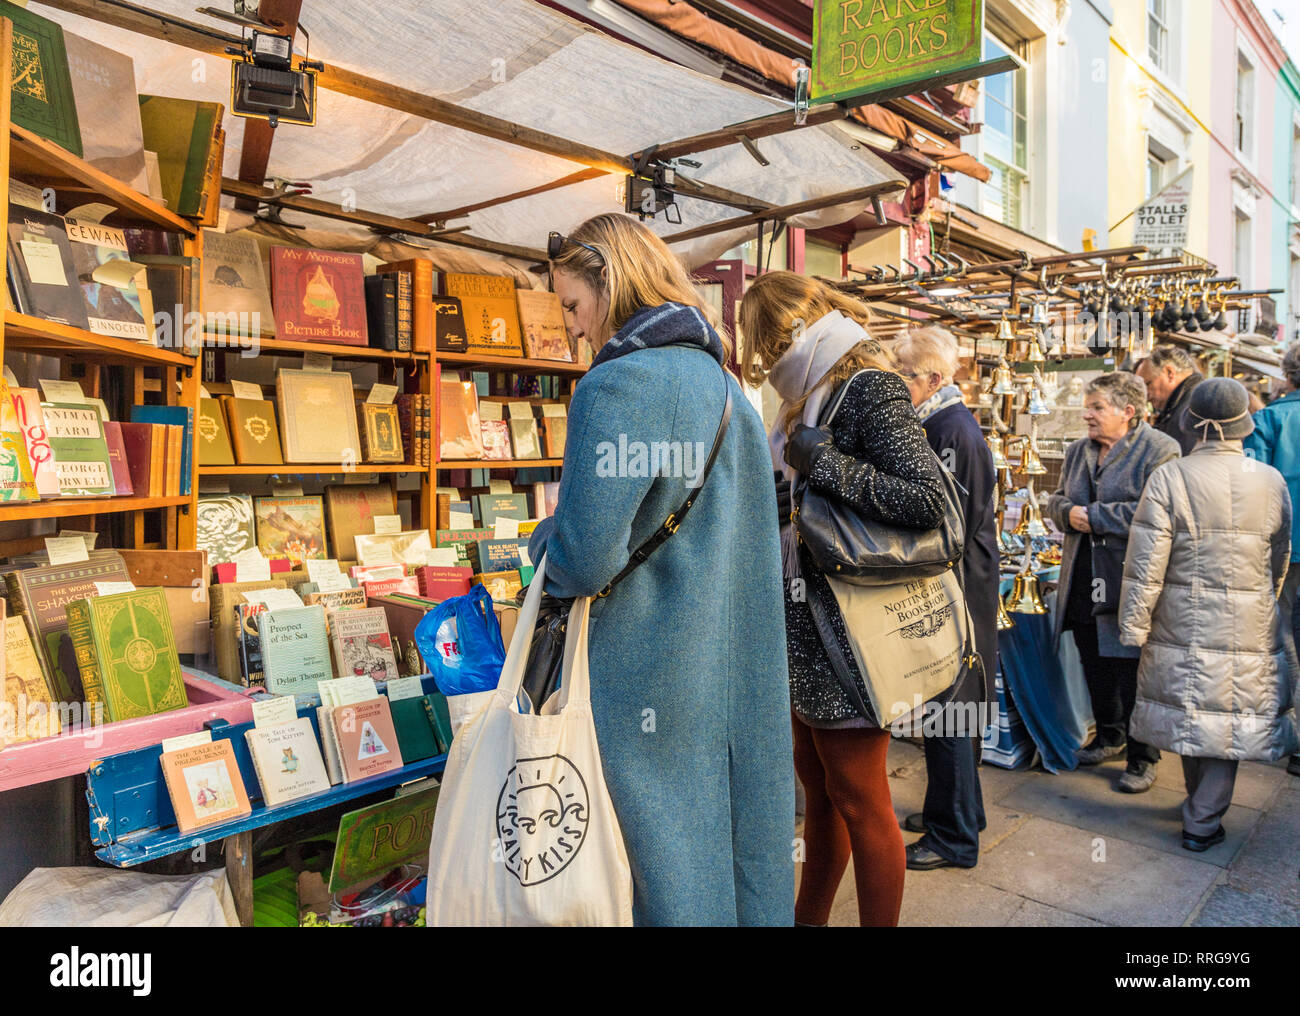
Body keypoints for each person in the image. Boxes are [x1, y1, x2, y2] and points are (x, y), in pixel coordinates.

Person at [528, 213, 793, 926]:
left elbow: (581, 559)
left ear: (610, 286)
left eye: (574, 307)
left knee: (657, 874)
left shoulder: (617, 387)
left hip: (648, 670)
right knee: (731, 857)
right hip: (732, 667)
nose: (575, 329)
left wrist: (540, 538)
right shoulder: (725, 386)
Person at [739, 271, 946, 927]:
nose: (762, 360)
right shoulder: (804, 396)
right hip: (802, 625)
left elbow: (925, 502)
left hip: (853, 632)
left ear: (786, 334)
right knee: (822, 796)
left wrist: (821, 462)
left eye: (763, 343)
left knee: (860, 797)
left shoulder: (868, 388)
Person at [1120, 378, 1300, 850]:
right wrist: (1266, 599)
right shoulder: (1271, 480)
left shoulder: (1171, 476)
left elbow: (1145, 563)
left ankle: (1199, 812)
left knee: (1193, 709)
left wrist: (1134, 623)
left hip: (1182, 614)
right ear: (1242, 425)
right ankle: (1202, 816)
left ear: (1192, 424)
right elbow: (1278, 556)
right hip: (1251, 616)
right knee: (1229, 716)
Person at [891, 326, 997, 871]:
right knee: (947, 713)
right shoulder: (943, 424)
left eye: (903, 375)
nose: (896, 383)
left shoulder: (951, 429)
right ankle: (959, 814)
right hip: (956, 590)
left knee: (951, 715)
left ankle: (953, 838)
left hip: (957, 594)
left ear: (932, 378)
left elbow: (948, 523)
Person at [1046, 372, 1180, 793]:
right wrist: (1066, 513)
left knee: (1132, 669)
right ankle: (1109, 737)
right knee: (1093, 660)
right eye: (1088, 405)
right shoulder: (1076, 450)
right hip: (1083, 573)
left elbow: (1158, 513)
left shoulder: (1162, 450)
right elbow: (1056, 499)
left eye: (1097, 406)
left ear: (1128, 411)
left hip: (1128, 579)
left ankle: (1143, 757)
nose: (1087, 414)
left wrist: (1095, 518)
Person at [1243, 341, 1300, 778]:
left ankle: (1285, 731)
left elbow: (1252, 492)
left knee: (1280, 641)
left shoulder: (1270, 418)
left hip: (1285, 551)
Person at [1135, 344, 1203, 454]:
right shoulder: (1183, 404)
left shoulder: (1193, 408)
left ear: (1170, 373)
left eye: (1147, 384)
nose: (1144, 394)